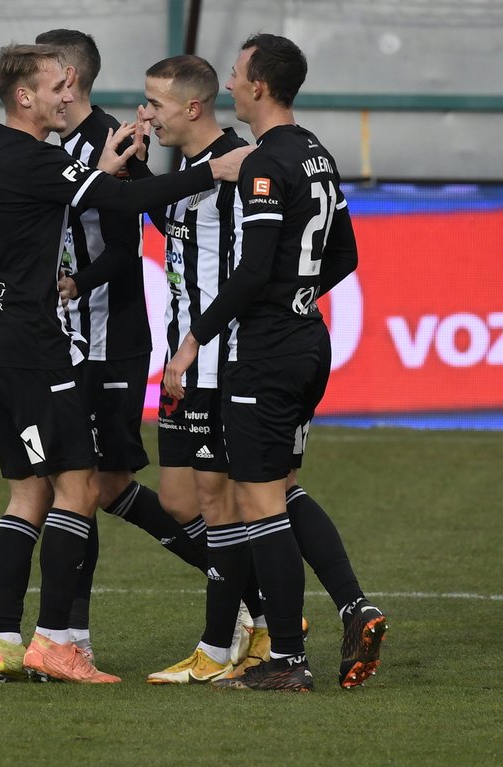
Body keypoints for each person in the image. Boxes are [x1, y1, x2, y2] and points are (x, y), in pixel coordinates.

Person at [0, 42, 250, 684]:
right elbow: (117, 206)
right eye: (53, 87)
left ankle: (3, 642)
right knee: (81, 486)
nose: (67, 95)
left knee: (27, 494)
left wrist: (102, 167)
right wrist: (215, 171)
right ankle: (56, 643)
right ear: (24, 97)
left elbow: (82, 199)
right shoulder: (35, 157)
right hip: (36, 344)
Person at [162, 33, 388, 691]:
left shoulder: (264, 163)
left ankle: (287, 659)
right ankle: (354, 604)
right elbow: (343, 254)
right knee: (283, 486)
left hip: (264, 352)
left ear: (259, 87)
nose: (229, 85)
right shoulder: (315, 153)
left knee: (261, 505)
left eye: (235, 75)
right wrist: (300, 296)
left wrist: (196, 337)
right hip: (307, 342)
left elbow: (253, 269)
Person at [31, 29, 208, 668]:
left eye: (40, 74)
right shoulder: (59, 145)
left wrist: (76, 282)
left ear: (68, 78)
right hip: (74, 338)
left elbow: (127, 241)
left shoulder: (109, 141)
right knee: (87, 486)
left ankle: (244, 584)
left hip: (110, 338)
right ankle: (69, 639)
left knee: (94, 485)